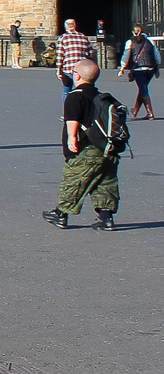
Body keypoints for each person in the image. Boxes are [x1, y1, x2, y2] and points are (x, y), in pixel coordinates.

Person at [44, 60, 120, 230]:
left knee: (74, 180)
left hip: (87, 148)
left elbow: (72, 120)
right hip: (107, 147)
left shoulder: (75, 96)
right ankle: (106, 218)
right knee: (104, 182)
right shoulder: (102, 96)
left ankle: (60, 214)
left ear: (76, 76)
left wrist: (71, 138)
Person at [116, 25, 157, 120]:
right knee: (143, 88)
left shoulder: (130, 42)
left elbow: (126, 56)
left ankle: (150, 113)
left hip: (139, 69)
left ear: (133, 32)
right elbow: (156, 55)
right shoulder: (150, 41)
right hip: (150, 69)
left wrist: (122, 68)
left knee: (143, 89)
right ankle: (135, 110)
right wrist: (157, 68)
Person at [56, 18, 92, 100]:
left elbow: (60, 56)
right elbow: (91, 53)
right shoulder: (83, 37)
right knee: (82, 91)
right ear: (75, 26)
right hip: (82, 70)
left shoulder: (63, 38)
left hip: (68, 69)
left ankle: (67, 111)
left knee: (66, 91)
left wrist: (59, 71)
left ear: (65, 27)